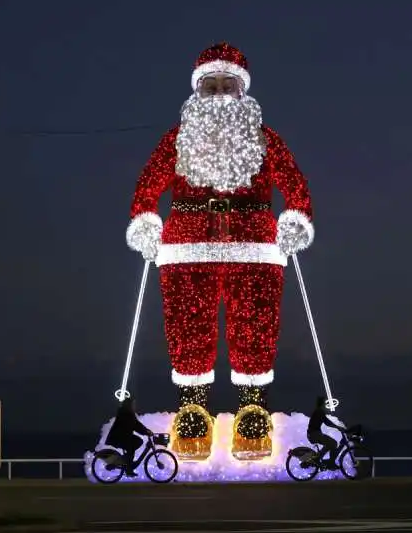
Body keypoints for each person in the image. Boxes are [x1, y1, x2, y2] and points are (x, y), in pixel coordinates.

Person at [125, 42, 315, 460]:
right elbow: (148, 185)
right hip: (187, 249)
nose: (219, 93)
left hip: (255, 247)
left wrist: (296, 217)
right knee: (188, 329)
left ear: (242, 90)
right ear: (197, 91)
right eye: (211, 85)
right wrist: (145, 219)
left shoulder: (265, 139)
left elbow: (295, 185)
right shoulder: (177, 140)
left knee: (255, 327)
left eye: (227, 84)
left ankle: (252, 408)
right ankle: (192, 410)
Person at [104, 397, 153, 477]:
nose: (134, 406)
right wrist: (146, 432)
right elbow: (134, 425)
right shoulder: (125, 413)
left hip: (123, 436)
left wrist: (146, 430)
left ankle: (128, 465)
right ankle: (126, 466)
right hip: (119, 437)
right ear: (129, 405)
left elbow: (137, 424)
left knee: (135, 444)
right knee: (136, 442)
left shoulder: (127, 413)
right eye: (133, 404)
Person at [307, 397, 347, 466]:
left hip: (313, 434)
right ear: (322, 404)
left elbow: (326, 422)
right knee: (333, 443)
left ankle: (319, 458)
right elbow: (327, 422)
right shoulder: (319, 411)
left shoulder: (318, 411)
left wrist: (337, 427)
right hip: (315, 434)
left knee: (329, 444)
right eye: (325, 403)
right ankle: (330, 462)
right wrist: (338, 427)